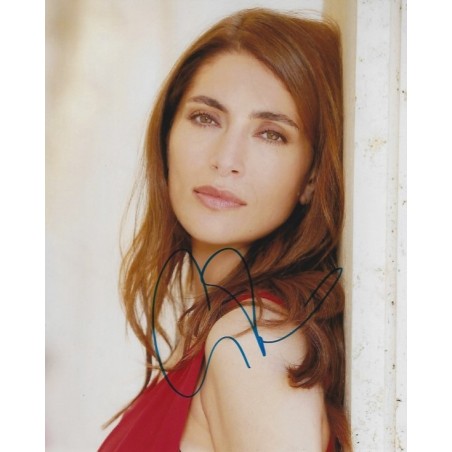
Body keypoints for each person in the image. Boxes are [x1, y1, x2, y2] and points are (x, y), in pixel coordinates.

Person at [99, 7, 351, 452]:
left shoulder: (251, 341)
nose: (226, 159)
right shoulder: (225, 332)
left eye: (271, 134)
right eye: (206, 118)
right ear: (166, 135)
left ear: (312, 177)